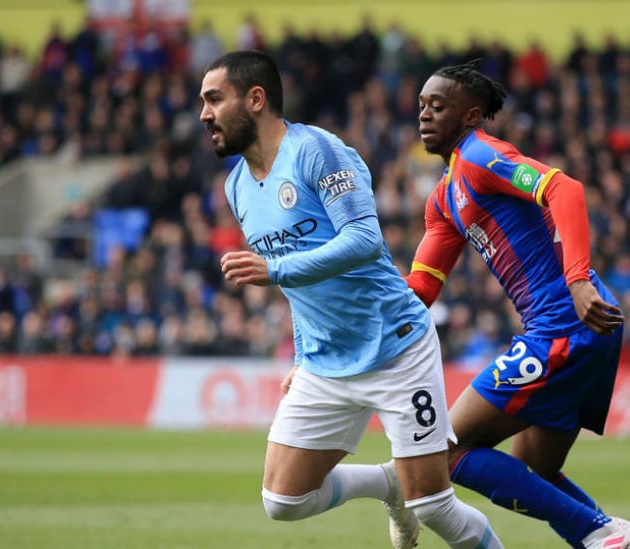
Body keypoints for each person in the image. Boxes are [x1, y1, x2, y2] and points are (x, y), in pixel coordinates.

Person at [200, 50, 503, 549]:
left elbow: (363, 238)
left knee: (433, 505)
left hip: (395, 347)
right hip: (325, 361)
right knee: (283, 500)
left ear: (256, 99)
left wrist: (273, 270)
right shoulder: (237, 186)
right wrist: (301, 354)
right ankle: (388, 483)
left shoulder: (317, 151)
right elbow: (300, 287)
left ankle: (413, 494)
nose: (204, 114)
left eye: (214, 99)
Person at [405, 59, 630, 549]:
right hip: (580, 325)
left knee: (447, 451)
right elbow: (420, 292)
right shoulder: (443, 200)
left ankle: (597, 530)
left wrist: (577, 278)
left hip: (565, 320)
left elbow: (563, 187)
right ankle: (606, 537)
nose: (425, 115)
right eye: (421, 106)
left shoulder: (478, 155)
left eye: (438, 105)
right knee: (538, 470)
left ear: (471, 116)